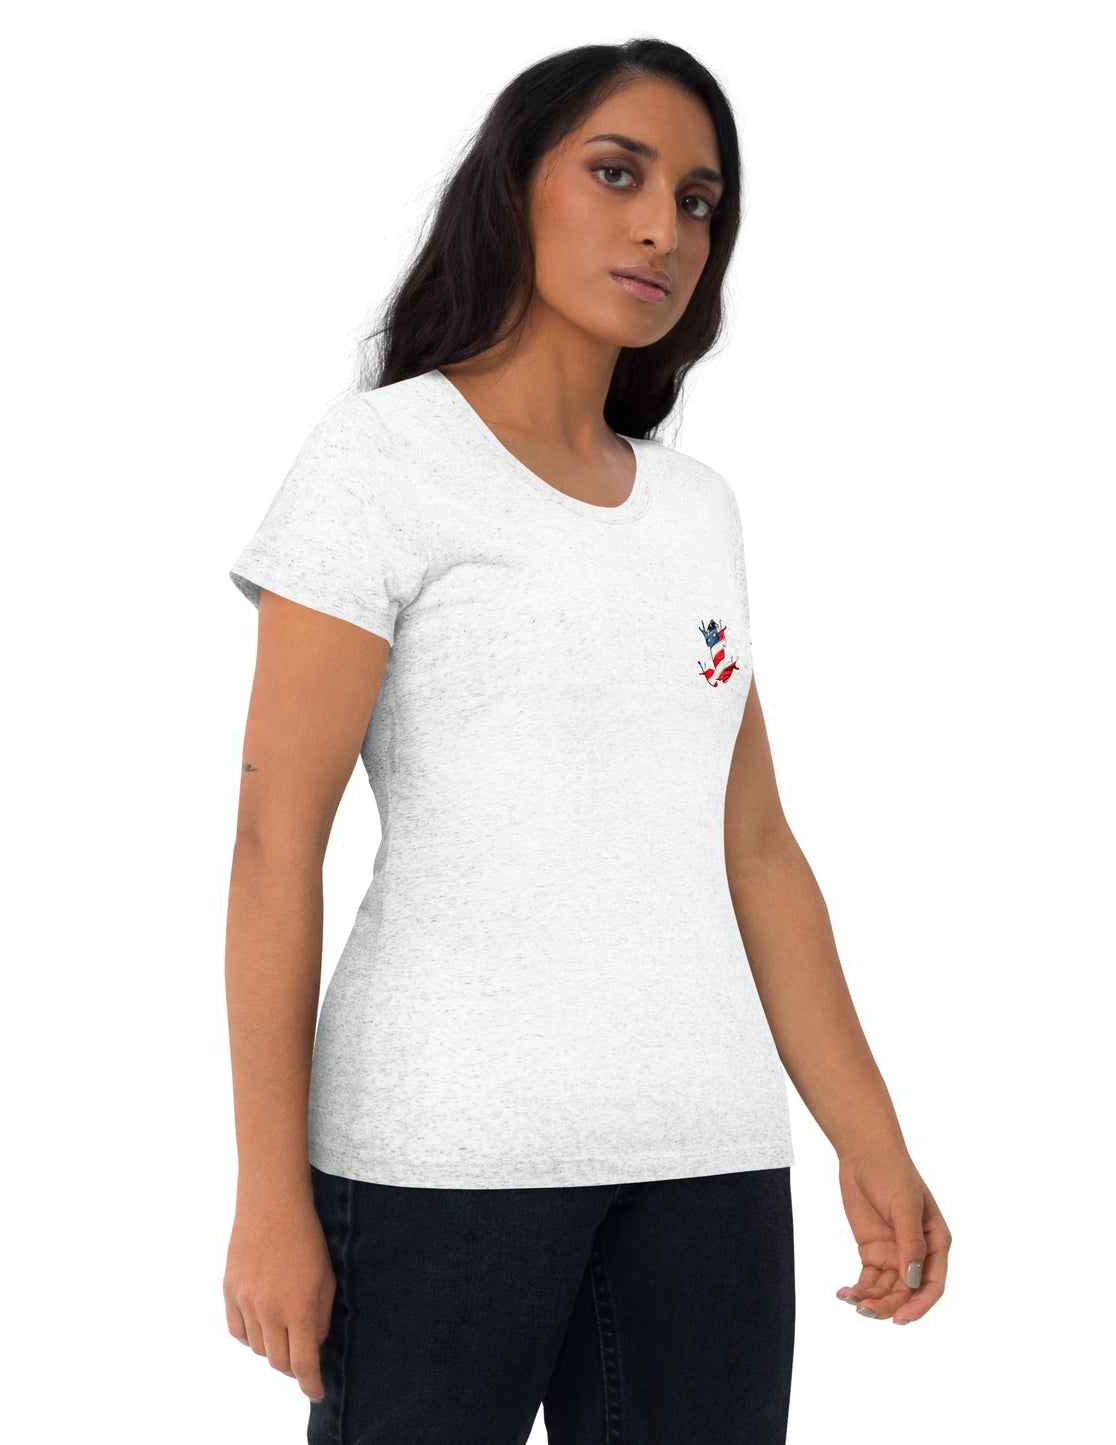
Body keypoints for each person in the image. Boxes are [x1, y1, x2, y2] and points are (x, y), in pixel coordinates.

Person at [222, 36, 951, 1445]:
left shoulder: (696, 512)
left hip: (707, 1161)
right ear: (514, 186)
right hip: (439, 1159)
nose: (662, 227)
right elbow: (273, 844)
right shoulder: (382, 462)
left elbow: (753, 848)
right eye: (618, 174)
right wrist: (269, 1194)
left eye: (698, 201)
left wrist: (870, 1136)